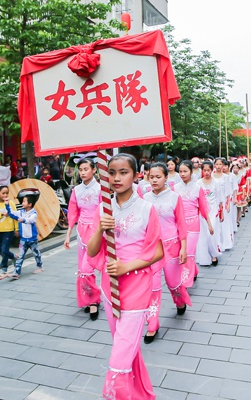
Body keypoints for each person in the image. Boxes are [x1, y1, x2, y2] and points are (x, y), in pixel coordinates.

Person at [87, 153, 163, 399]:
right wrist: (101, 226)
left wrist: (126, 267)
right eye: (112, 172)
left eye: (123, 172)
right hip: (110, 288)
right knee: (127, 347)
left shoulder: (146, 209)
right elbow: (91, 250)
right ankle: (140, 393)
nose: (117, 178)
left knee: (119, 355)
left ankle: (116, 394)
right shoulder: (103, 208)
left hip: (137, 286)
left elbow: (158, 251)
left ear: (136, 175)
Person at [143, 162, 190, 344]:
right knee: (153, 288)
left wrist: (183, 248)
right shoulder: (144, 198)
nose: (154, 180)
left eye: (158, 177)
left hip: (172, 247)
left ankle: (180, 302)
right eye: (151, 177)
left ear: (166, 177)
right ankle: (152, 324)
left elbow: (181, 224)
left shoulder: (174, 198)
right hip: (152, 250)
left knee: (173, 284)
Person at [64, 158, 102, 320]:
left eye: (86, 169)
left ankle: (95, 299)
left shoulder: (101, 189)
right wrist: (68, 235)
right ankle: (91, 300)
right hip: (81, 232)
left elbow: (105, 211)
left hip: (96, 232)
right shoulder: (76, 190)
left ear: (94, 170)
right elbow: (73, 213)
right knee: (82, 271)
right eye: (81, 169)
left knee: (87, 270)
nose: (83, 172)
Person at [175, 160, 213, 284]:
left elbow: (203, 207)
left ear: (191, 171)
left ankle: (186, 280)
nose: (182, 174)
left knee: (189, 251)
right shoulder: (175, 188)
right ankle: (194, 271)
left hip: (193, 224)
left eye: (185, 171)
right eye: (180, 171)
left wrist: (209, 224)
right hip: (178, 225)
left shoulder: (198, 188)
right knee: (181, 251)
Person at [5, 193, 43, 278]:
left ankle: (39, 266)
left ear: (30, 204)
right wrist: (7, 205)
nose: (22, 203)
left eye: (24, 202)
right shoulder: (21, 212)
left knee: (36, 253)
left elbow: (30, 220)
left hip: (32, 239)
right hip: (23, 239)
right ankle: (16, 272)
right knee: (20, 255)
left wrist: (23, 220)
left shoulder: (34, 213)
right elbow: (12, 213)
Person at [196, 160, 224, 266]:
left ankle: (214, 254)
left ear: (212, 170)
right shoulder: (198, 183)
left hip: (213, 211)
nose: (207, 172)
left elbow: (220, 198)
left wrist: (222, 213)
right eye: (204, 170)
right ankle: (205, 254)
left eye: (208, 170)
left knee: (211, 233)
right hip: (202, 212)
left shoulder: (216, 183)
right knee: (204, 234)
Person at [0, 185, 18, 280]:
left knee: (4, 250)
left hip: (9, 230)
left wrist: (17, 229)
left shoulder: (11, 203)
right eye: (3, 193)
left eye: (7, 193)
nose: (5, 195)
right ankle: (14, 257)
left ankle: (4, 267)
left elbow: (15, 216)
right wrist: (2, 214)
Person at [213, 158, 233, 251]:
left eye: (220, 164)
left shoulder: (226, 177)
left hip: (223, 202)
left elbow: (228, 192)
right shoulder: (211, 176)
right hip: (213, 202)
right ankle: (216, 243)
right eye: (216, 164)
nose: (218, 166)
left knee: (224, 222)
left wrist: (228, 204)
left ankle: (226, 243)